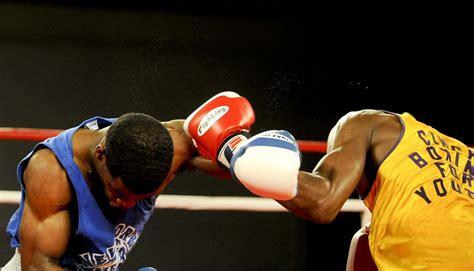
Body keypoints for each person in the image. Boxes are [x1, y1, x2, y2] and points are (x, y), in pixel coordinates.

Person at [185, 107, 474, 270]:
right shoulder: (464, 165)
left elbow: (322, 201)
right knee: (364, 242)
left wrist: (232, 149)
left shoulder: (366, 124)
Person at [2, 92, 255, 270]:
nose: (124, 204)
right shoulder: (52, 172)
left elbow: (241, 172)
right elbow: (38, 266)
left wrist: (241, 154)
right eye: (117, 192)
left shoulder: (171, 148)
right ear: (101, 156)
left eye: (139, 198)